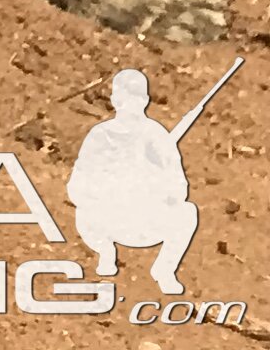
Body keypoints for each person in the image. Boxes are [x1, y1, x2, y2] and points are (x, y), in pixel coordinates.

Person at [67, 69, 201, 294]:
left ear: (145, 101)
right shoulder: (100, 135)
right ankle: (106, 253)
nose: (131, 104)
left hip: (143, 220)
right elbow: (77, 185)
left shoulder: (157, 136)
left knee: (187, 213)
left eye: (136, 97)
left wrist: (154, 181)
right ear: (115, 100)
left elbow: (179, 188)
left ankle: (164, 270)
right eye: (125, 97)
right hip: (106, 220)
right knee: (84, 212)